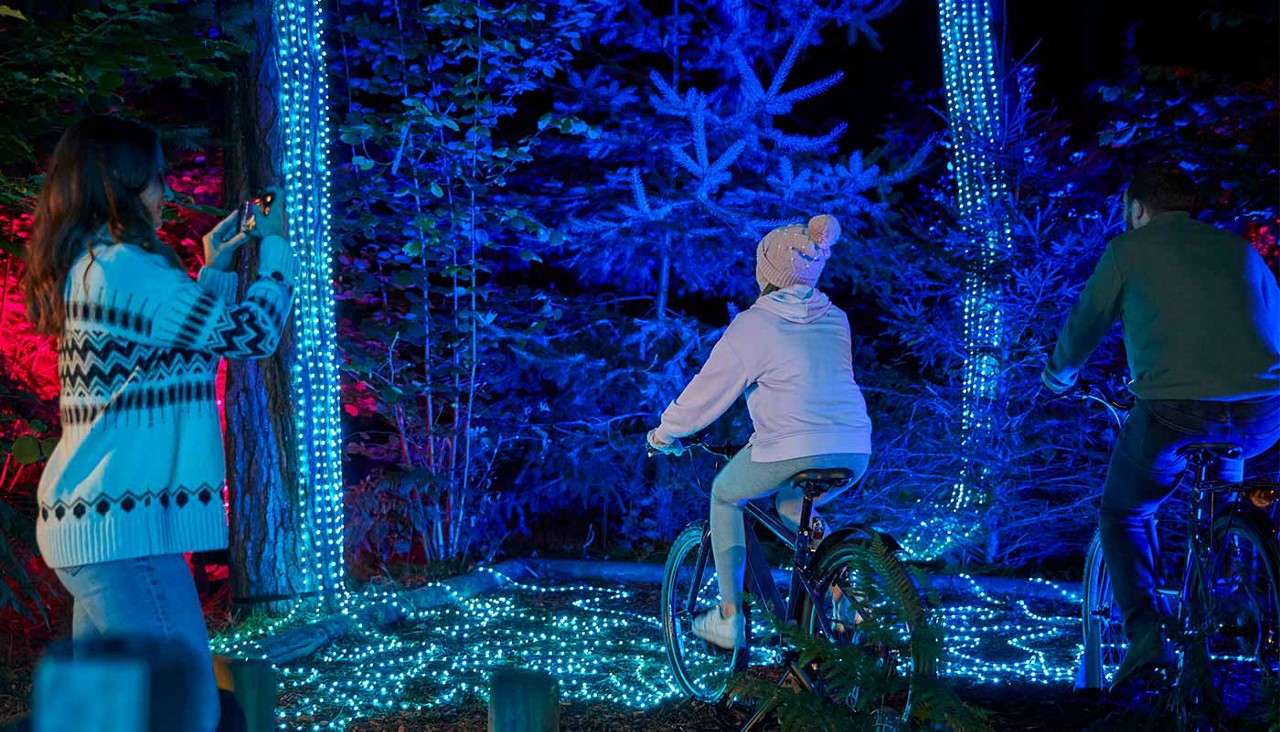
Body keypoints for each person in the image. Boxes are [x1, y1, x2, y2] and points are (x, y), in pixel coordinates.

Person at [24, 115, 297, 732]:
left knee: (101, 717)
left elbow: (176, 346)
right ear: (122, 183)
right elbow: (251, 336)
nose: (165, 192)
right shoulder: (126, 268)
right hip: (124, 534)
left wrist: (218, 270)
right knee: (189, 710)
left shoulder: (92, 264)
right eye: (156, 178)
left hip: (93, 525)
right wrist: (276, 252)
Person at [1041, 165, 1280, 688]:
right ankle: (1224, 580)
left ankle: (1148, 639)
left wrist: (1058, 377)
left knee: (1125, 511)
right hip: (1264, 412)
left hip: (1175, 410)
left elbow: (1086, 322)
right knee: (1221, 492)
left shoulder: (1129, 251)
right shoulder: (1240, 251)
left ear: (1138, 210)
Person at [646, 214, 873, 650]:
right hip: (853, 446)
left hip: (793, 446)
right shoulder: (836, 319)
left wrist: (664, 433)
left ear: (765, 272)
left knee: (726, 493)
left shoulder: (755, 324)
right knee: (792, 507)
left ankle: (730, 617)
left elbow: (706, 394)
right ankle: (847, 596)